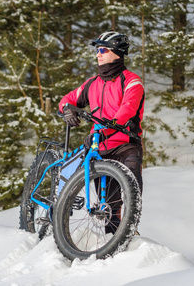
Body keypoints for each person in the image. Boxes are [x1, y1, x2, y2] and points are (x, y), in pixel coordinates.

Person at [58, 31, 144, 234]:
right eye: (97, 50)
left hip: (125, 144)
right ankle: (112, 237)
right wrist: (67, 110)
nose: (98, 54)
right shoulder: (92, 83)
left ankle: (130, 230)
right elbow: (67, 99)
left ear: (117, 52)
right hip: (99, 146)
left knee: (133, 189)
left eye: (102, 49)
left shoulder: (132, 82)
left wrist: (107, 129)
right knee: (108, 202)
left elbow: (127, 110)